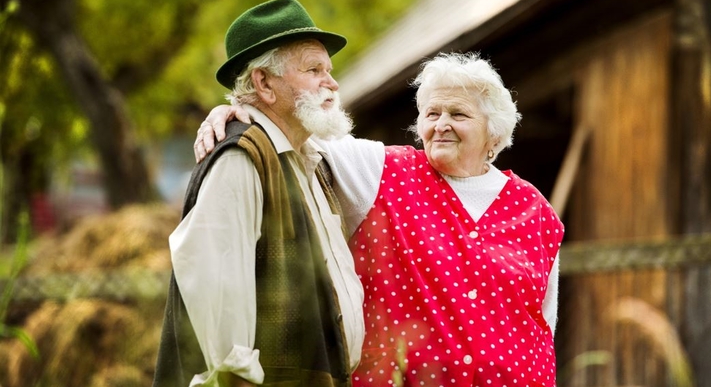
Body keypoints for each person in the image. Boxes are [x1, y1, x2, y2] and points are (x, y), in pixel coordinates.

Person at [196, 52, 564, 386]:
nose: (441, 125)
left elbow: (544, 319)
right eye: (432, 114)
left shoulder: (534, 209)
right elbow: (292, 132)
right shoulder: (381, 170)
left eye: (459, 114)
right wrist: (238, 114)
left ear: (494, 132)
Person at [152, 0, 365, 387]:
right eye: (314, 69)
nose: (332, 83)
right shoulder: (240, 160)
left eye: (329, 70)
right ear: (264, 83)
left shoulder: (310, 158)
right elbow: (220, 324)